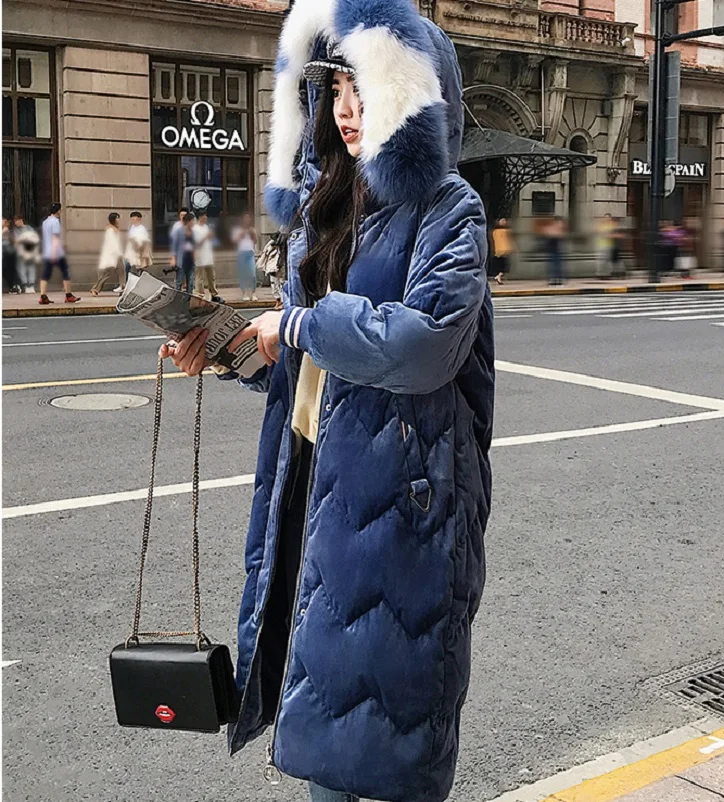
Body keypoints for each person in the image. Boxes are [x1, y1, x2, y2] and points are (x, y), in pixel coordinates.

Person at [159, 5, 494, 802]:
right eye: (336, 85)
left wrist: (301, 324)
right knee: (328, 741)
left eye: (366, 85)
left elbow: (424, 344)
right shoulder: (327, 215)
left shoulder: (450, 210)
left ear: (414, 96)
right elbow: (302, 370)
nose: (347, 106)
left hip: (399, 514)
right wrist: (230, 345)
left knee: (384, 752)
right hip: (312, 489)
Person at [39, 202, 80, 305]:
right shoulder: (56, 222)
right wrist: (55, 252)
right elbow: (55, 238)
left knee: (45, 274)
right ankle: (68, 295)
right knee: (66, 273)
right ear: (58, 211)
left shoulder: (45, 222)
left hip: (47, 251)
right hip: (56, 253)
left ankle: (43, 296)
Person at [192, 212, 224, 303]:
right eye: (204, 216)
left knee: (211, 276)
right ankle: (200, 295)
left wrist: (210, 237)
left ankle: (214, 294)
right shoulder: (195, 229)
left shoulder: (206, 227)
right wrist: (206, 237)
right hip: (199, 255)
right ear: (200, 217)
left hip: (208, 255)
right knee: (199, 277)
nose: (206, 218)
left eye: (206, 216)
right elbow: (196, 243)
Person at [91, 212, 124, 296]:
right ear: (113, 219)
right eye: (117, 218)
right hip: (113, 254)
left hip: (116, 254)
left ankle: (123, 288)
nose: (118, 220)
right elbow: (112, 243)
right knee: (107, 273)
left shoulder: (114, 228)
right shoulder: (110, 229)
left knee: (121, 271)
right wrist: (118, 253)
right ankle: (95, 288)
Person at [121, 211, 153, 290]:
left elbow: (144, 242)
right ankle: (128, 285)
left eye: (134, 218)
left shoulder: (142, 229)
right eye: (132, 218)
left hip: (138, 253)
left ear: (139, 218)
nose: (133, 220)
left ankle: (135, 286)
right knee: (128, 267)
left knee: (135, 269)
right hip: (131, 252)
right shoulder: (131, 227)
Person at [232, 212, 257, 301]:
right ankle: (245, 293)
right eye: (245, 218)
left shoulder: (252, 229)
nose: (247, 220)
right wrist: (241, 234)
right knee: (243, 275)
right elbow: (234, 241)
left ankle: (253, 293)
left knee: (252, 274)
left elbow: (255, 242)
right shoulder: (237, 229)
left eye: (248, 218)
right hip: (241, 253)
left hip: (250, 253)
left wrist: (253, 235)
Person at [12, 216, 40, 294]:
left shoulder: (29, 228)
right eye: (15, 221)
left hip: (30, 251)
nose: (16, 223)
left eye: (17, 221)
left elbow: (34, 238)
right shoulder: (15, 230)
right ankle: (25, 285)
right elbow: (17, 240)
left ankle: (31, 285)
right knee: (22, 269)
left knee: (31, 268)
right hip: (21, 252)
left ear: (21, 220)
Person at [172, 212, 197, 294]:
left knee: (190, 282)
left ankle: (189, 298)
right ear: (188, 221)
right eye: (192, 221)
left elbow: (194, 245)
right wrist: (173, 258)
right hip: (182, 259)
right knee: (179, 281)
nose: (194, 222)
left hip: (190, 259)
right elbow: (174, 245)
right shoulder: (179, 231)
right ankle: (177, 298)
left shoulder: (193, 232)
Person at [544, 215, 567, 285]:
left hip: (557, 249)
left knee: (556, 264)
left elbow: (559, 235)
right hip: (553, 249)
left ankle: (557, 279)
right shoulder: (553, 228)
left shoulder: (558, 229)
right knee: (554, 264)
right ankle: (556, 278)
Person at [489, 218, 513, 284]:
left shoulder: (495, 231)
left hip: (500, 251)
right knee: (504, 266)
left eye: (505, 221)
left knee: (502, 266)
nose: (504, 222)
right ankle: (498, 276)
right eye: (502, 221)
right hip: (502, 251)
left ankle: (498, 277)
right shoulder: (503, 231)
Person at [3, 218, 23, 294]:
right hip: (5, 255)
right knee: (6, 271)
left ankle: (16, 286)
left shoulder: (9, 231)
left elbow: (14, 242)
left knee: (12, 270)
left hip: (10, 254)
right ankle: (13, 286)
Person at [595, 213, 616, 279]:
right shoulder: (601, 225)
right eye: (605, 217)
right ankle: (599, 274)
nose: (607, 219)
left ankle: (608, 274)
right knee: (601, 260)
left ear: (610, 218)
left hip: (610, 245)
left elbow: (612, 234)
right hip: (601, 245)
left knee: (608, 260)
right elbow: (600, 233)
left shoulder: (612, 225)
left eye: (608, 217)